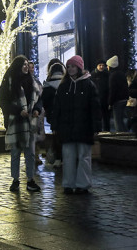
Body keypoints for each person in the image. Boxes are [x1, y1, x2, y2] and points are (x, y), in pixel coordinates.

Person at [53, 55, 100, 194]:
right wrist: (55, 124)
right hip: (67, 127)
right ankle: (68, 184)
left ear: (79, 67)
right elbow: (57, 107)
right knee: (68, 156)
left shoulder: (89, 85)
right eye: (68, 67)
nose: (70, 69)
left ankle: (82, 184)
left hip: (84, 127)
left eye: (73, 66)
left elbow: (95, 107)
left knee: (84, 157)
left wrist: (96, 126)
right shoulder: (63, 86)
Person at [0, 55, 42, 192]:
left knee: (30, 153)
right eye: (23, 64)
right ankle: (15, 180)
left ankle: (30, 180)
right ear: (17, 66)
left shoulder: (33, 81)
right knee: (15, 152)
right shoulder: (9, 81)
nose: (26, 66)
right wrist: (17, 110)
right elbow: (2, 100)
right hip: (16, 122)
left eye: (27, 64)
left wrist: (36, 109)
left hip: (30, 121)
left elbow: (39, 97)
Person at [41, 62, 65, 168]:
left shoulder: (47, 86)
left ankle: (58, 158)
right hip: (65, 115)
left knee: (56, 136)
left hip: (52, 115)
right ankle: (64, 158)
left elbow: (44, 102)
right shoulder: (66, 84)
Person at [28, 61, 45, 165]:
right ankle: (30, 156)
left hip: (37, 113)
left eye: (32, 67)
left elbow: (40, 97)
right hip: (28, 113)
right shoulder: (25, 81)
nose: (31, 69)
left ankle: (36, 155)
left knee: (37, 135)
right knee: (30, 136)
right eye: (29, 67)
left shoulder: (37, 82)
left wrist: (38, 109)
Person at [107, 55, 129, 132]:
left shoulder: (112, 76)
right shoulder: (121, 73)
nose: (107, 67)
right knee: (121, 120)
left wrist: (110, 103)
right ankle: (127, 137)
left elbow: (113, 90)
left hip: (117, 101)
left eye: (108, 65)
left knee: (117, 122)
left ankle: (120, 140)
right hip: (124, 99)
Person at [91, 59, 110, 132]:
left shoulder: (107, 74)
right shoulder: (93, 75)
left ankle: (106, 132)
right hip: (96, 100)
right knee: (97, 117)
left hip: (105, 99)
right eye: (100, 65)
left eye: (103, 65)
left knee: (106, 118)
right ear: (97, 66)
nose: (101, 67)